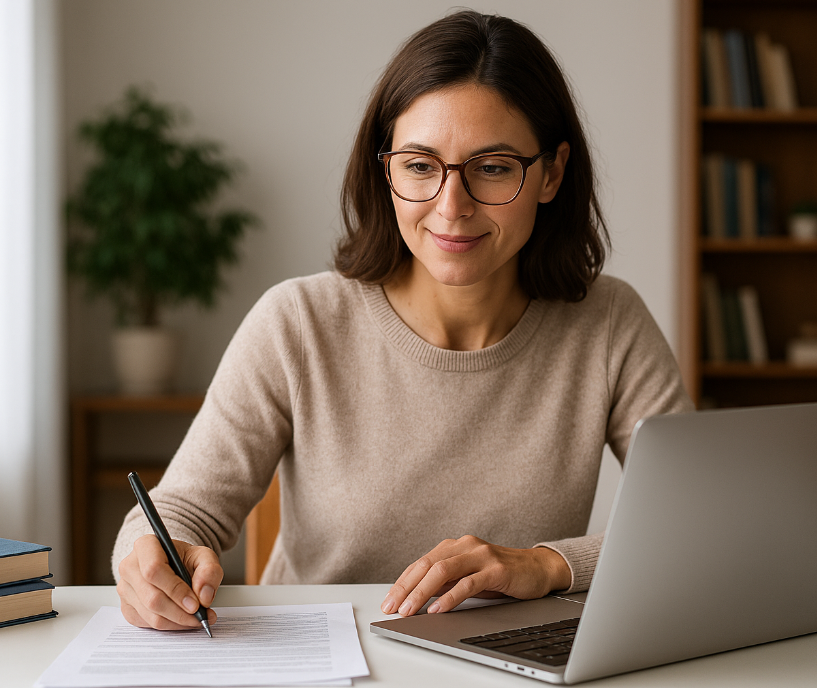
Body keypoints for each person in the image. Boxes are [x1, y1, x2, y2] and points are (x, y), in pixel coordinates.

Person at [112, 9, 692, 632]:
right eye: (419, 166)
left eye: (493, 167)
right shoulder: (297, 323)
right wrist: (150, 561)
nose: (451, 206)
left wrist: (547, 565)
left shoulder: (609, 324)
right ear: (385, 170)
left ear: (551, 173)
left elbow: (700, 520)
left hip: (511, 664)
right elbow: (178, 512)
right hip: (326, 660)